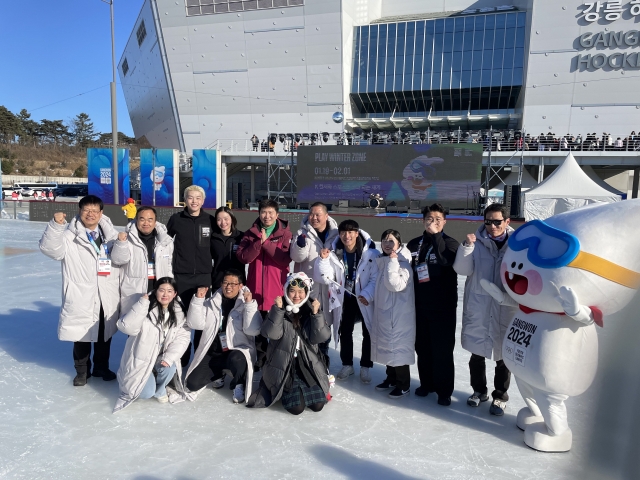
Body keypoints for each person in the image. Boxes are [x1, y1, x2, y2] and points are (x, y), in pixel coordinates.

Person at [39, 195, 120, 386]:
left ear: (101, 213)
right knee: (81, 335)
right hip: (81, 294)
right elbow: (51, 250)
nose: (90, 214)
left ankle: (101, 367)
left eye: (94, 211)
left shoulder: (110, 236)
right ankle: (82, 372)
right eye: (86, 210)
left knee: (103, 334)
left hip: (105, 293)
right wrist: (56, 226)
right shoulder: (69, 236)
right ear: (80, 211)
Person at [453, 203, 516, 416]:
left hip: (505, 305)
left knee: (502, 355)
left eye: (497, 222)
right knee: (477, 353)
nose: (492, 226)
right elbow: (462, 269)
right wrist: (466, 247)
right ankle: (479, 391)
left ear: (507, 222)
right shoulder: (476, 242)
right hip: (479, 305)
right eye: (488, 221)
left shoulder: (517, 245)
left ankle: (500, 395)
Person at [246, 273, 331, 415]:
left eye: (300, 291)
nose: (296, 295)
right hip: (283, 365)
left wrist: (317, 315)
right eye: (292, 291)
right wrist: (278, 311)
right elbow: (270, 333)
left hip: (306, 364)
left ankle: (301, 389)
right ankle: (287, 390)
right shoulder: (279, 309)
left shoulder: (311, 310)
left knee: (318, 405)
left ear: (306, 292)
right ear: (286, 291)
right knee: (296, 408)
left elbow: (320, 337)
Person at [407, 204, 459, 406]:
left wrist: (437, 236)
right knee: (422, 347)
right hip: (419, 306)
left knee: (442, 350)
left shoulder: (450, 243)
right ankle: (426, 383)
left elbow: (445, 260)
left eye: (438, 219)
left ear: (444, 222)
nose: (433, 222)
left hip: (443, 308)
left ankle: (444, 390)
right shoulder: (414, 244)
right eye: (430, 218)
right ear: (423, 220)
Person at [113, 277, 191, 412]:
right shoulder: (145, 308)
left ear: (175, 294)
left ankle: (160, 390)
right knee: (145, 393)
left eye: (169, 291)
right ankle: (149, 381)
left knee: (170, 367)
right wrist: (142, 304)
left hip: (160, 358)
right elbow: (127, 327)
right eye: (161, 290)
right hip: (141, 361)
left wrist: (169, 357)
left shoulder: (179, 313)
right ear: (155, 291)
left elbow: (182, 338)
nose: (165, 294)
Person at [183, 270, 262, 404]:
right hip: (215, 352)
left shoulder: (245, 304)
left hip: (236, 351)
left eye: (233, 283)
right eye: (225, 283)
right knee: (192, 384)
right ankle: (219, 373)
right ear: (221, 284)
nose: (228, 286)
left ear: (240, 286)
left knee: (238, 359)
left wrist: (249, 305)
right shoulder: (212, 303)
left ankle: (239, 383)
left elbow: (253, 330)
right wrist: (198, 300)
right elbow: (195, 324)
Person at [315, 219, 378, 384]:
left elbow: (375, 278)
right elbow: (325, 277)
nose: (347, 236)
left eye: (351, 232)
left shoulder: (371, 253)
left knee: (368, 333)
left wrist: (367, 294)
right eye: (343, 232)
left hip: (365, 298)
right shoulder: (334, 253)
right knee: (345, 331)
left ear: (357, 233)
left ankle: (366, 366)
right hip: (346, 298)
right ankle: (347, 364)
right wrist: (322, 261)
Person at [236, 199, 292, 366]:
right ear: (259, 213)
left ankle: (275, 361)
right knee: (257, 330)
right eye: (263, 212)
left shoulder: (285, 235)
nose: (267, 216)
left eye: (270, 213)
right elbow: (243, 257)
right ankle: (260, 361)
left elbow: (284, 259)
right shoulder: (250, 233)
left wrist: (266, 243)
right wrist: (257, 243)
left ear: (277, 214)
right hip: (255, 290)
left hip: (275, 291)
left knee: (276, 329)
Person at [167, 185, 214, 366]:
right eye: (190, 197)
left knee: (202, 320)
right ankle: (182, 357)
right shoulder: (176, 219)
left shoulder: (209, 220)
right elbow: (165, 243)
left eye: (197, 198)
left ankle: (200, 359)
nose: (194, 201)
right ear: (184, 200)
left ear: (203, 201)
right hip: (182, 276)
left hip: (204, 277)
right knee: (183, 319)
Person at [290, 202, 339, 368]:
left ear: (327, 216)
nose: (314, 218)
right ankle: (304, 363)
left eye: (318, 214)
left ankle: (323, 364)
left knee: (324, 326)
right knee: (305, 325)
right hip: (307, 290)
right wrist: (300, 245)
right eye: (311, 214)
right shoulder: (301, 232)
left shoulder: (336, 235)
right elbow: (296, 257)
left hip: (328, 289)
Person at [371, 229, 416, 399]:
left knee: (398, 350)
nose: (387, 244)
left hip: (399, 315)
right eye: (384, 240)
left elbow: (394, 285)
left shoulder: (403, 265)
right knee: (387, 348)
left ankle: (403, 384)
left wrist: (394, 262)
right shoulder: (383, 263)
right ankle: (391, 379)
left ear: (399, 243)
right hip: (385, 313)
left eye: (391, 240)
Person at [111, 206, 174, 312]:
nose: (146, 223)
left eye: (150, 220)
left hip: (159, 291)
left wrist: (170, 287)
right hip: (134, 292)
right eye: (142, 219)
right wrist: (121, 244)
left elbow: (169, 266)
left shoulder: (165, 241)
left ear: (155, 222)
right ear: (136, 220)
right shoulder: (127, 239)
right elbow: (118, 260)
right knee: (134, 324)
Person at [211, 206, 245, 290]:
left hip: (237, 283)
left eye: (226, 219)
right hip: (219, 283)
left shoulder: (241, 237)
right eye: (219, 219)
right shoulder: (213, 238)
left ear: (232, 219)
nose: (223, 222)